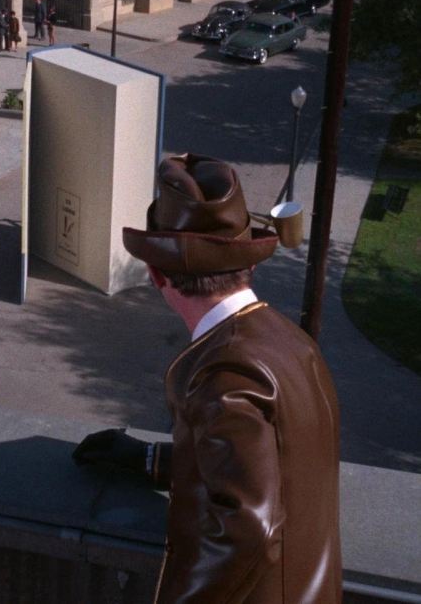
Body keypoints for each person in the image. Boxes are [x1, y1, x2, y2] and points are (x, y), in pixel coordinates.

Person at [73, 154, 341, 603]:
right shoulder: (291, 341)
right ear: (248, 264)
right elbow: (276, 465)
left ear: (156, 276)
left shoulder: (227, 371)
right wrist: (155, 461)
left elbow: (249, 529)